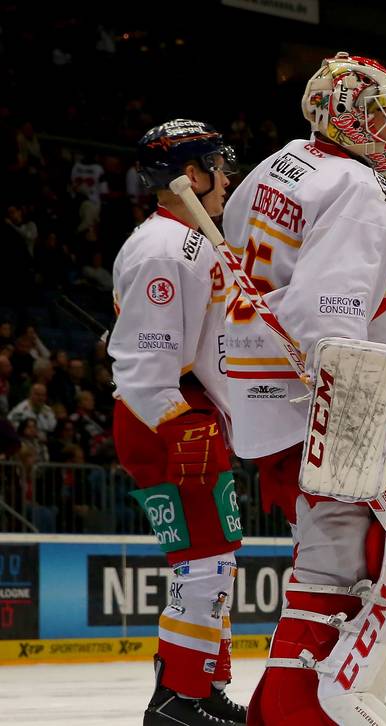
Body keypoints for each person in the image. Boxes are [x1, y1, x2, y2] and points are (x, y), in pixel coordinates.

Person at [219, 52, 386, 725]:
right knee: (345, 577)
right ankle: (294, 715)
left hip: (258, 403)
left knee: (324, 575)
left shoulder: (271, 169)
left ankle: (271, 712)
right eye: (375, 110)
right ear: (339, 112)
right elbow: (331, 314)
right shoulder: (366, 192)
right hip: (324, 407)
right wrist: (355, 417)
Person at [109, 119, 245, 725]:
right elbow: (144, 364)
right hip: (167, 419)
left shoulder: (185, 240)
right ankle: (175, 701)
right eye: (218, 163)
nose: (227, 176)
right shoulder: (167, 248)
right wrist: (179, 423)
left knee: (217, 557)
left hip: (184, 413)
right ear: (190, 176)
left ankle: (203, 687)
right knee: (203, 561)